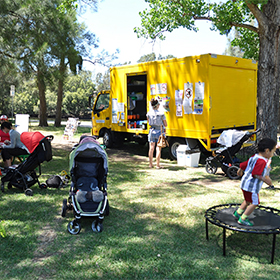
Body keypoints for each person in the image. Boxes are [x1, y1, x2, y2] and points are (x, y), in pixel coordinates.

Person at [233, 138, 277, 226]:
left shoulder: (255, 156)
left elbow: (245, 163)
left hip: (244, 184)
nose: (273, 154)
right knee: (255, 203)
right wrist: (265, 180)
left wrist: (240, 169)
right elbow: (255, 174)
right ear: (267, 151)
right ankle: (243, 219)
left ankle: (238, 213)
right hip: (251, 187)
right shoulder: (262, 161)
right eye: (273, 152)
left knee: (247, 200)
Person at [146, 98, 167, 169]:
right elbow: (165, 123)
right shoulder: (161, 113)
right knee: (158, 148)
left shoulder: (149, 113)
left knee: (151, 148)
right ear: (157, 105)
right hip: (159, 131)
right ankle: (158, 165)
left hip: (152, 131)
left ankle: (150, 164)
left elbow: (148, 122)